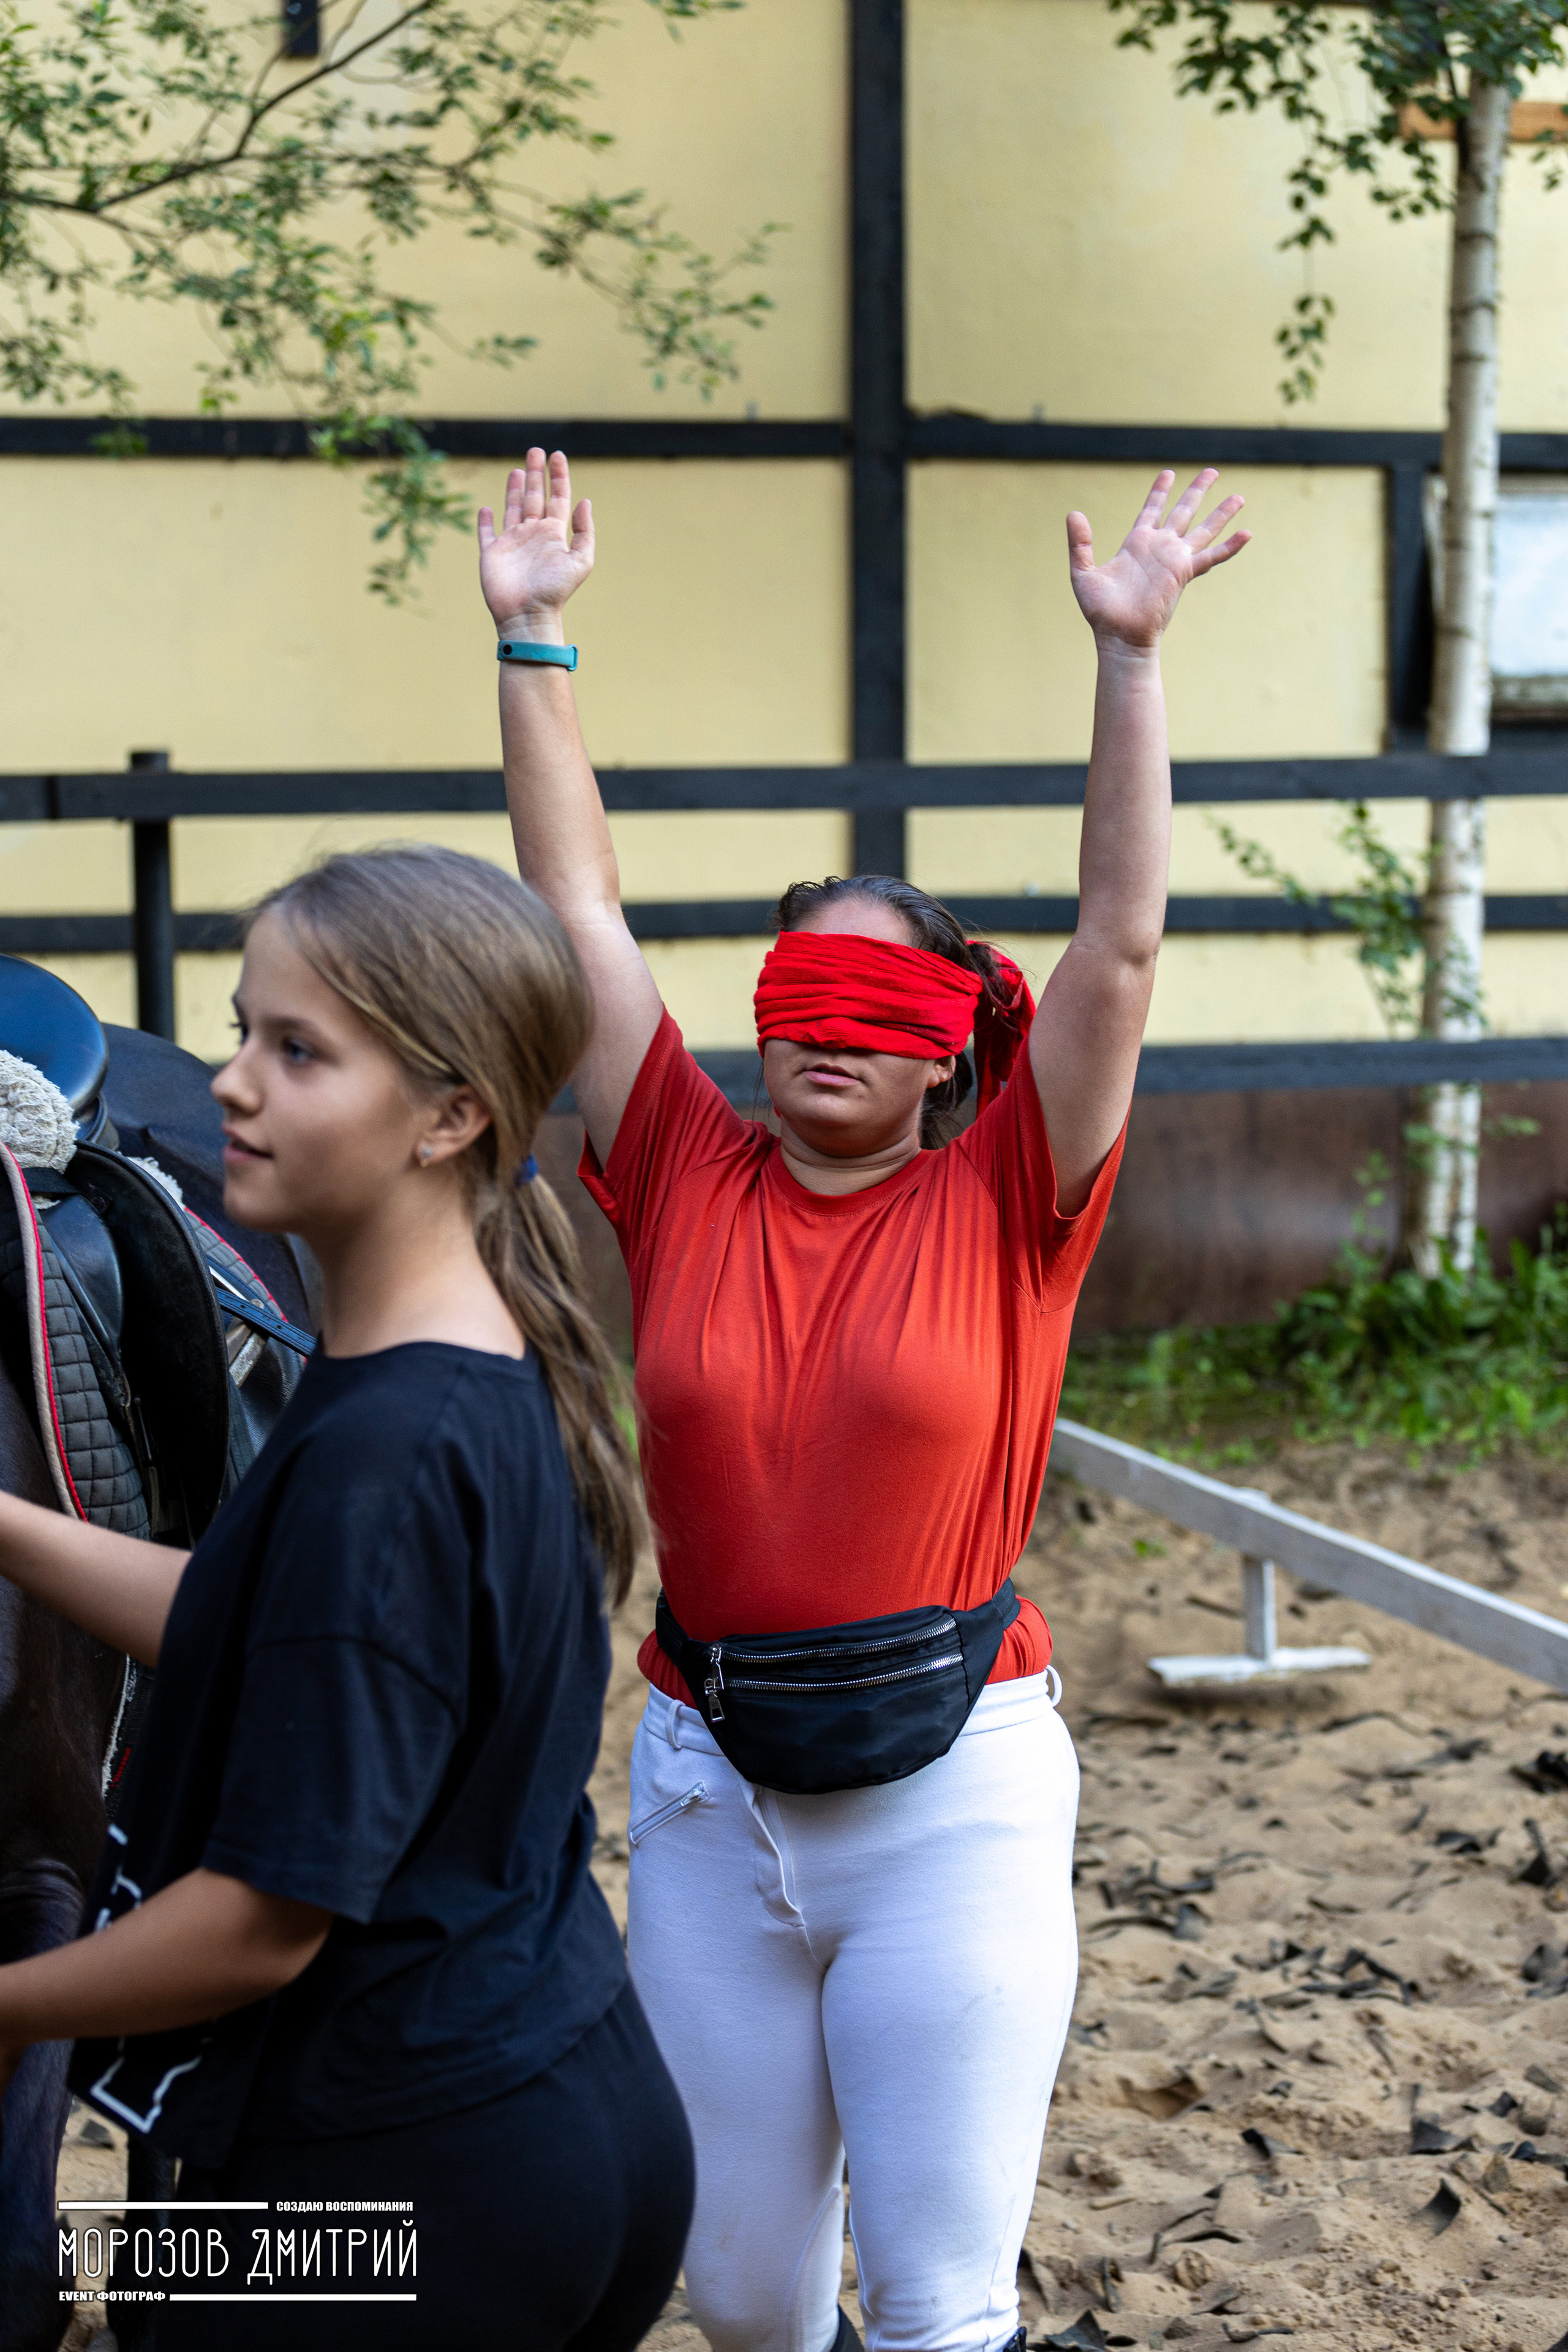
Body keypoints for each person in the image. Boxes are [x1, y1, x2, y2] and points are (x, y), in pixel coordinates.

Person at [478, 450, 1250, 2352]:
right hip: (705, 1777)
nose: (827, 1027)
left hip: (954, 1790)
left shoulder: (1017, 1193)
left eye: (878, 1006)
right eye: (798, 990)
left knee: (933, 2300)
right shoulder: (675, 1158)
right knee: (740, 2293)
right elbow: (574, 908)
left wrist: (1131, 664)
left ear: (945, 1052)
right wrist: (534, 639)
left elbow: (1122, 951)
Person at [0, 846, 693, 2351]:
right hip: (549, 2097)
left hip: (389, 2198)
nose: (231, 1085)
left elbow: (254, 1928)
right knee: (127, 2307)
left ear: (453, 1114)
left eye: (295, 1051)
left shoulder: (380, 1467)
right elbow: (275, 1635)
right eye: (243, 1031)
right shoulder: (460, 1359)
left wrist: (4, 2003)